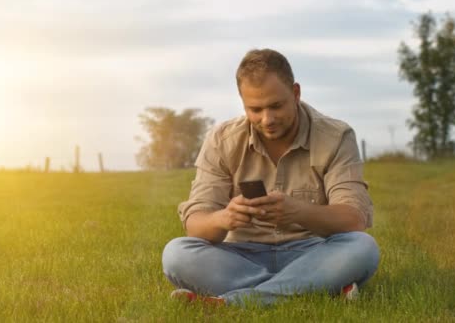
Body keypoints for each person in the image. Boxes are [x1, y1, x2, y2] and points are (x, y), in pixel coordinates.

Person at [162, 48, 380, 306]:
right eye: (255, 109)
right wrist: (224, 218)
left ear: (296, 93)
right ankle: (317, 287)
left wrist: (299, 212)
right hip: (240, 256)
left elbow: (353, 219)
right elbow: (195, 225)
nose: (267, 119)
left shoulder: (336, 136)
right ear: (243, 103)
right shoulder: (222, 139)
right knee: (177, 254)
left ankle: (229, 303)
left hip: (312, 253)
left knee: (362, 247)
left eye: (276, 106)